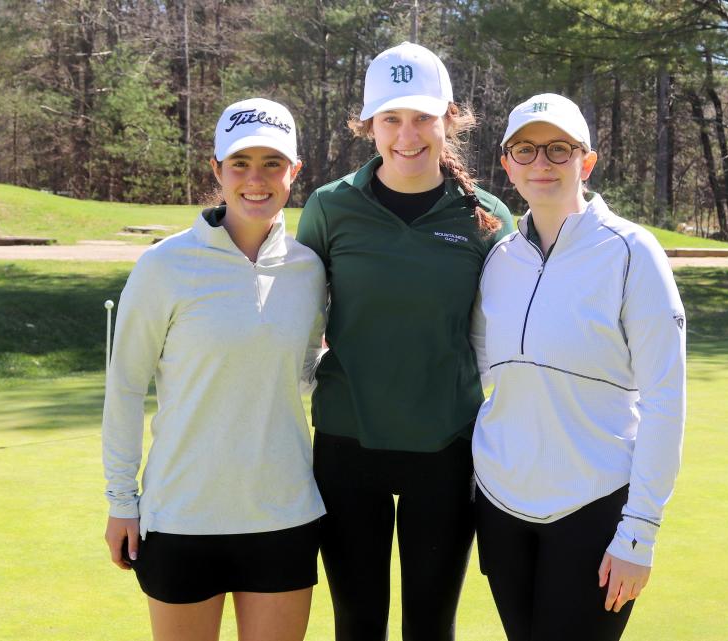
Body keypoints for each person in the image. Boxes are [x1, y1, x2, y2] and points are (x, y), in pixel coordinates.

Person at [295, 42, 515, 641]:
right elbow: (296, 315)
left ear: (449, 119)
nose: (407, 135)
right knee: (357, 620)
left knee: (429, 624)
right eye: (391, 119)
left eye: (422, 118)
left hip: (445, 446)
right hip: (346, 441)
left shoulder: (487, 218)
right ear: (369, 126)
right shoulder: (329, 207)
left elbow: (511, 334)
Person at [101, 97, 327, 641]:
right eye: (240, 163)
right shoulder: (164, 266)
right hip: (183, 516)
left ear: (294, 171)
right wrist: (120, 502)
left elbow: (300, 373)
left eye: (272, 163)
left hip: (283, 513)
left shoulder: (309, 269)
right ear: (216, 171)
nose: (256, 179)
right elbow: (126, 386)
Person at [471, 93, 686, 641]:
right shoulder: (498, 259)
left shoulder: (632, 252)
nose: (541, 163)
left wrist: (639, 531)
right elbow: (478, 374)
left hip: (594, 509)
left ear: (585, 162)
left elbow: (665, 399)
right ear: (506, 164)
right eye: (525, 150)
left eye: (559, 149)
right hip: (501, 508)